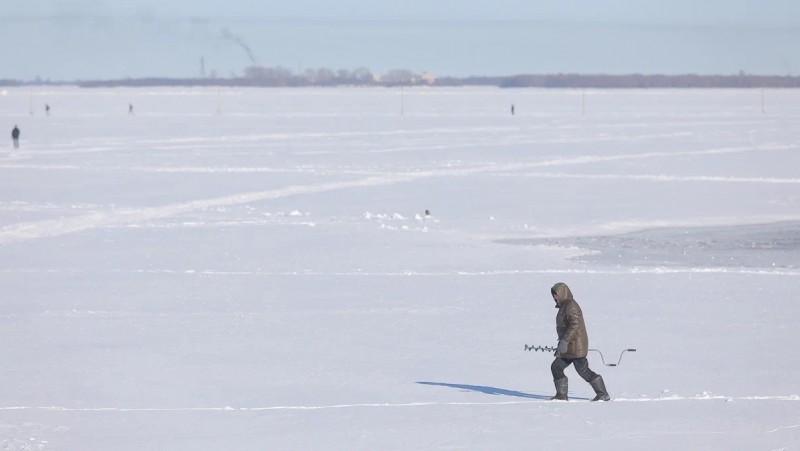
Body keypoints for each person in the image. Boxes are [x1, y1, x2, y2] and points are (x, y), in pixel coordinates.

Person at [549, 282, 610, 401]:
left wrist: (565, 341)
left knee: (583, 371)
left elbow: (575, 325)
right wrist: (562, 342)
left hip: (576, 346)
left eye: (556, 294)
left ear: (562, 293)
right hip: (568, 347)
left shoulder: (571, 306)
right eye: (553, 295)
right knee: (556, 367)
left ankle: (602, 394)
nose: (554, 297)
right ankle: (561, 395)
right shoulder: (564, 306)